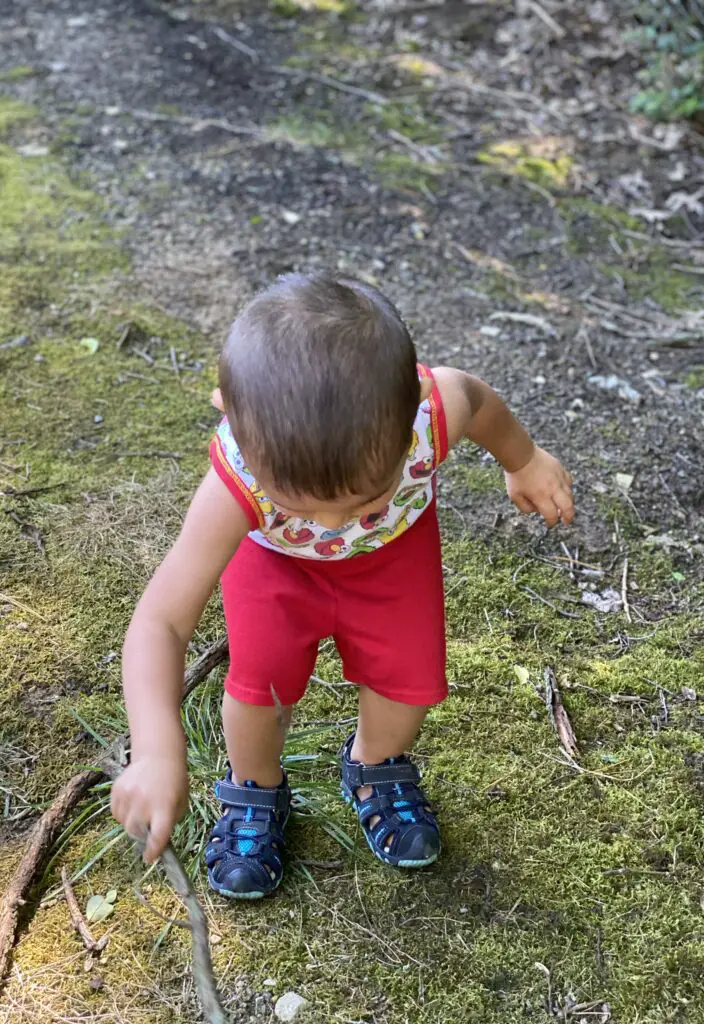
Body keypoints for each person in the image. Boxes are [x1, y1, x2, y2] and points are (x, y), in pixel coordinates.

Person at [111, 273, 574, 899]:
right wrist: (156, 750)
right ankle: (255, 789)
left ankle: (374, 765)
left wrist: (525, 460)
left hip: (392, 556)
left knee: (404, 682)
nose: (333, 522)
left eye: (364, 497)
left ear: (410, 409)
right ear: (231, 415)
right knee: (260, 686)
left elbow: (479, 400)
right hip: (275, 567)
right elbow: (160, 623)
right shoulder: (236, 487)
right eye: (301, 502)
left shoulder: (434, 412)